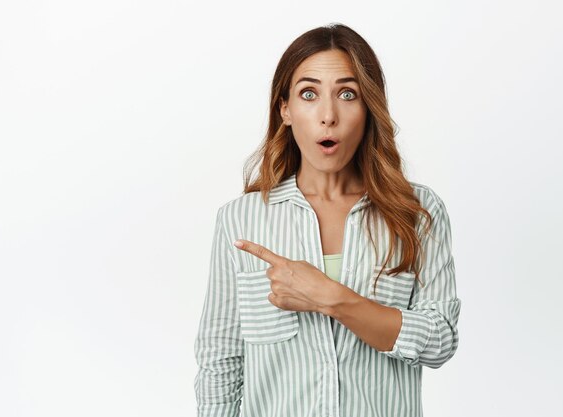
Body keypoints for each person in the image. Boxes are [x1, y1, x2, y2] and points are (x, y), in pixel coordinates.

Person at [194, 23, 461, 417]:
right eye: (309, 94)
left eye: (347, 94)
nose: (328, 116)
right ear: (284, 108)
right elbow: (221, 361)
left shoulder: (417, 211)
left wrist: (331, 298)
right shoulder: (241, 220)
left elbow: (439, 341)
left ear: (369, 107)